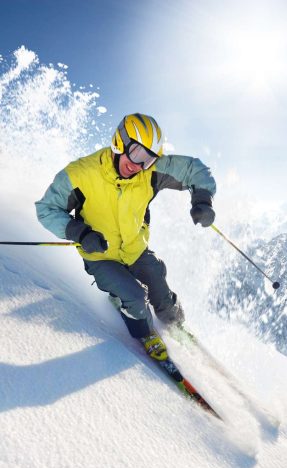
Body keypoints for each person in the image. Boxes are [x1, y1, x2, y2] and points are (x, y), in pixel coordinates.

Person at [35, 113, 217, 362]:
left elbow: (193, 169)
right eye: (136, 153)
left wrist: (203, 200)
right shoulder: (81, 174)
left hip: (135, 249)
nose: (138, 165)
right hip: (100, 255)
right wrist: (80, 232)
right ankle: (145, 333)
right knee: (135, 297)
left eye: (149, 158)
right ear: (119, 141)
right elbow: (47, 209)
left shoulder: (149, 171)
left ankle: (175, 323)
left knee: (159, 287)